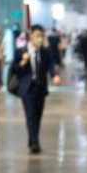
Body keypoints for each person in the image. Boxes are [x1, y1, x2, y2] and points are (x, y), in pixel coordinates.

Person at [10, 24, 61, 154]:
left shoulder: (44, 52)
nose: (40, 38)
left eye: (41, 36)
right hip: (27, 89)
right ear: (31, 36)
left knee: (37, 116)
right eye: (37, 36)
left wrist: (55, 76)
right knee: (30, 115)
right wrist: (23, 62)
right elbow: (14, 69)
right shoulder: (21, 51)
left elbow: (50, 67)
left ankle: (33, 138)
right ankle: (34, 142)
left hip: (40, 88)